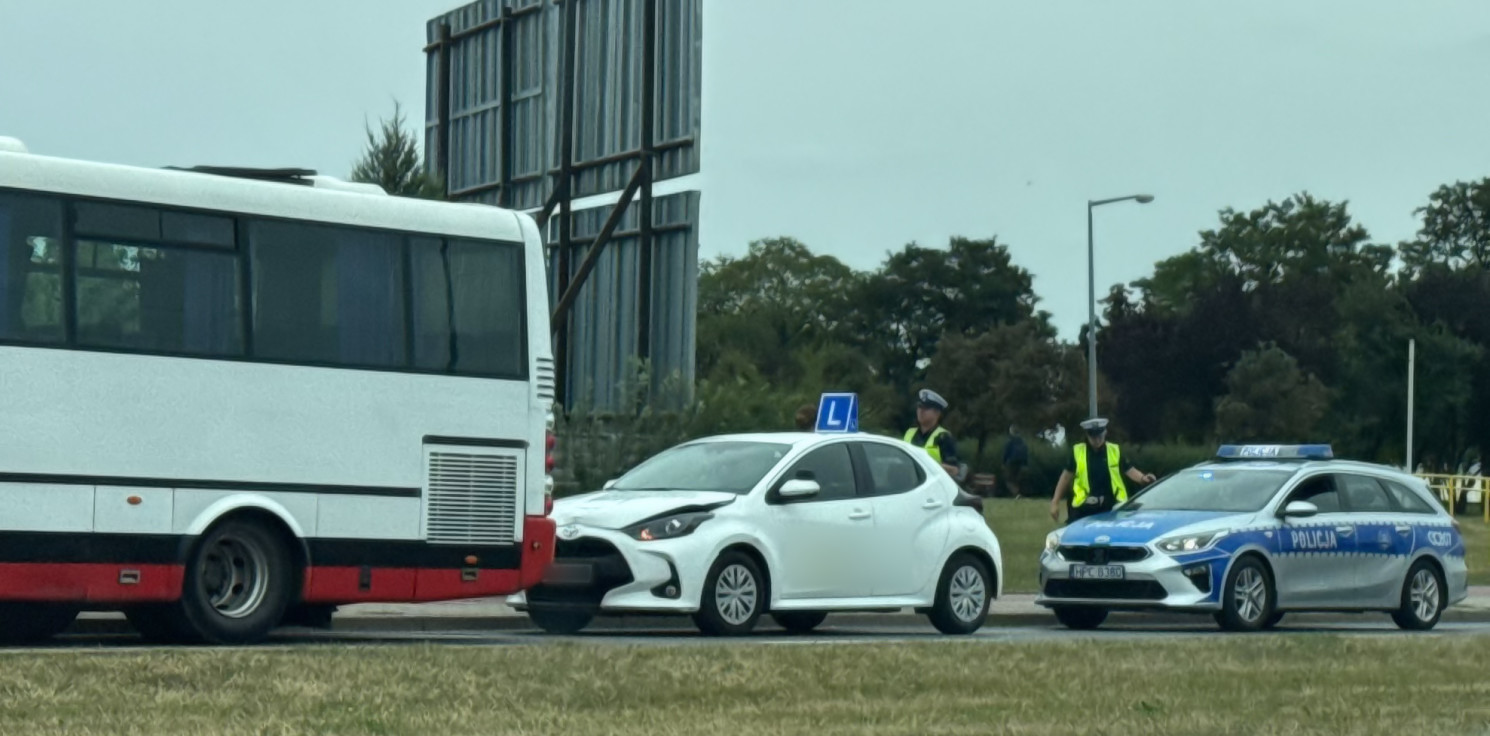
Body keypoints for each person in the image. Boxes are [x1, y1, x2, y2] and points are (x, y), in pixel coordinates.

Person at [1049, 417, 1156, 523]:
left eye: (1100, 436)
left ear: (1105, 433)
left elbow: (1129, 470)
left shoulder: (1114, 450)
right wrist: (1055, 502)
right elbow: (1065, 477)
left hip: (1111, 506)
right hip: (1084, 507)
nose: (1097, 440)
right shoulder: (1077, 451)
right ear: (1087, 435)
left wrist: (1143, 478)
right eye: (1093, 437)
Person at [902, 389, 961, 477]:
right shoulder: (909, 433)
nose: (921, 411)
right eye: (919, 406)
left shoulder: (944, 437)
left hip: (932, 487)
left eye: (926, 408)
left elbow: (954, 470)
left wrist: (926, 464)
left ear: (937, 413)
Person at [1002, 425, 1028, 498]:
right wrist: (1025, 464)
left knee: (1009, 479)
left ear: (1011, 431)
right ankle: (1018, 494)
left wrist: (1003, 463)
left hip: (1011, 462)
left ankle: (1017, 494)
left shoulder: (1010, 441)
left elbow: (1006, 452)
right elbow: (1025, 452)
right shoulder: (1022, 441)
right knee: (1016, 479)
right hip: (1020, 462)